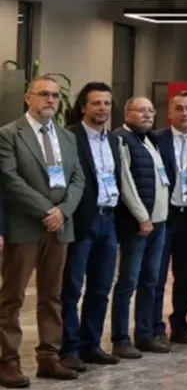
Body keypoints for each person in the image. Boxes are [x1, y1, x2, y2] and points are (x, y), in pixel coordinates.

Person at [0, 76, 86, 386]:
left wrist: (63, 212)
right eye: (44, 94)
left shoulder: (67, 137)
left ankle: (49, 357)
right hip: (25, 226)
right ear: (28, 98)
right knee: (12, 297)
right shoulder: (9, 134)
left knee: (53, 295)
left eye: (55, 95)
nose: (50, 100)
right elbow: (9, 179)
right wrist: (46, 211)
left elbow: (77, 179)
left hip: (60, 227)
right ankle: (7, 361)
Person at [60, 83, 125, 370]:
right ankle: (69, 349)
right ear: (83, 107)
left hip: (108, 221)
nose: (102, 108)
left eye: (107, 103)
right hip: (81, 222)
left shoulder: (113, 140)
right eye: (96, 103)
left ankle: (91, 345)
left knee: (100, 288)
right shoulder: (69, 136)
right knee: (71, 289)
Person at [112, 97, 172, 358]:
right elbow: (125, 183)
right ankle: (121, 339)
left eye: (150, 111)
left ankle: (144, 335)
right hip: (138, 225)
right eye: (141, 110)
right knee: (128, 281)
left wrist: (159, 217)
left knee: (151, 280)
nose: (147, 115)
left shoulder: (149, 140)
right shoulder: (121, 139)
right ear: (127, 113)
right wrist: (141, 217)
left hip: (158, 223)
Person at [154, 91, 187, 345]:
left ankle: (180, 326)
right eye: (179, 108)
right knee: (157, 275)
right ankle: (155, 327)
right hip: (164, 216)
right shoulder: (156, 139)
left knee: (184, 276)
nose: (184, 113)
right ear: (170, 113)